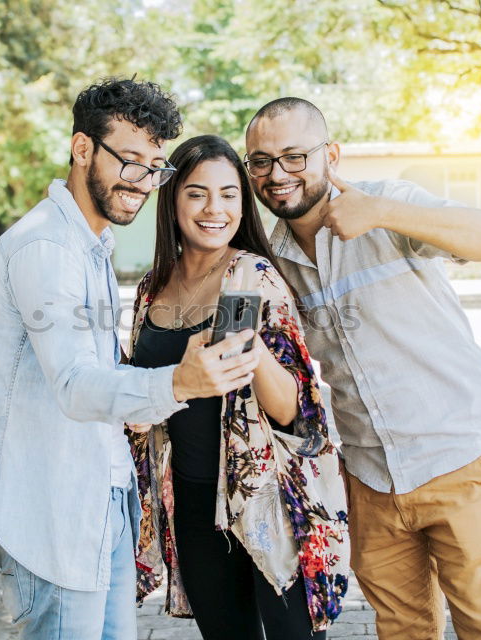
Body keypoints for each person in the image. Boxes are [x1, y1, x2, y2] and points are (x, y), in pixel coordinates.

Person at [0, 79, 263, 640]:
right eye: (129, 161)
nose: (142, 181)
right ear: (82, 148)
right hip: (53, 509)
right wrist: (178, 384)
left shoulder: (92, 246)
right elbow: (73, 383)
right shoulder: (48, 248)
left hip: (100, 500)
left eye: (154, 166)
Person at [243, 98, 481, 640]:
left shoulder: (388, 203)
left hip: (459, 456)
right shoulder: (272, 257)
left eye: (294, 156)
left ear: (332, 155)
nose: (277, 174)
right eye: (261, 160)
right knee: (402, 631)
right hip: (370, 477)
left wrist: (382, 213)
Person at [127, 134, 349, 640]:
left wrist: (247, 338)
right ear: (173, 199)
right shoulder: (152, 287)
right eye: (197, 193)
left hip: (262, 501)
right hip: (192, 501)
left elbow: (294, 411)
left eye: (229, 194)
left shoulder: (249, 276)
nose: (215, 208)